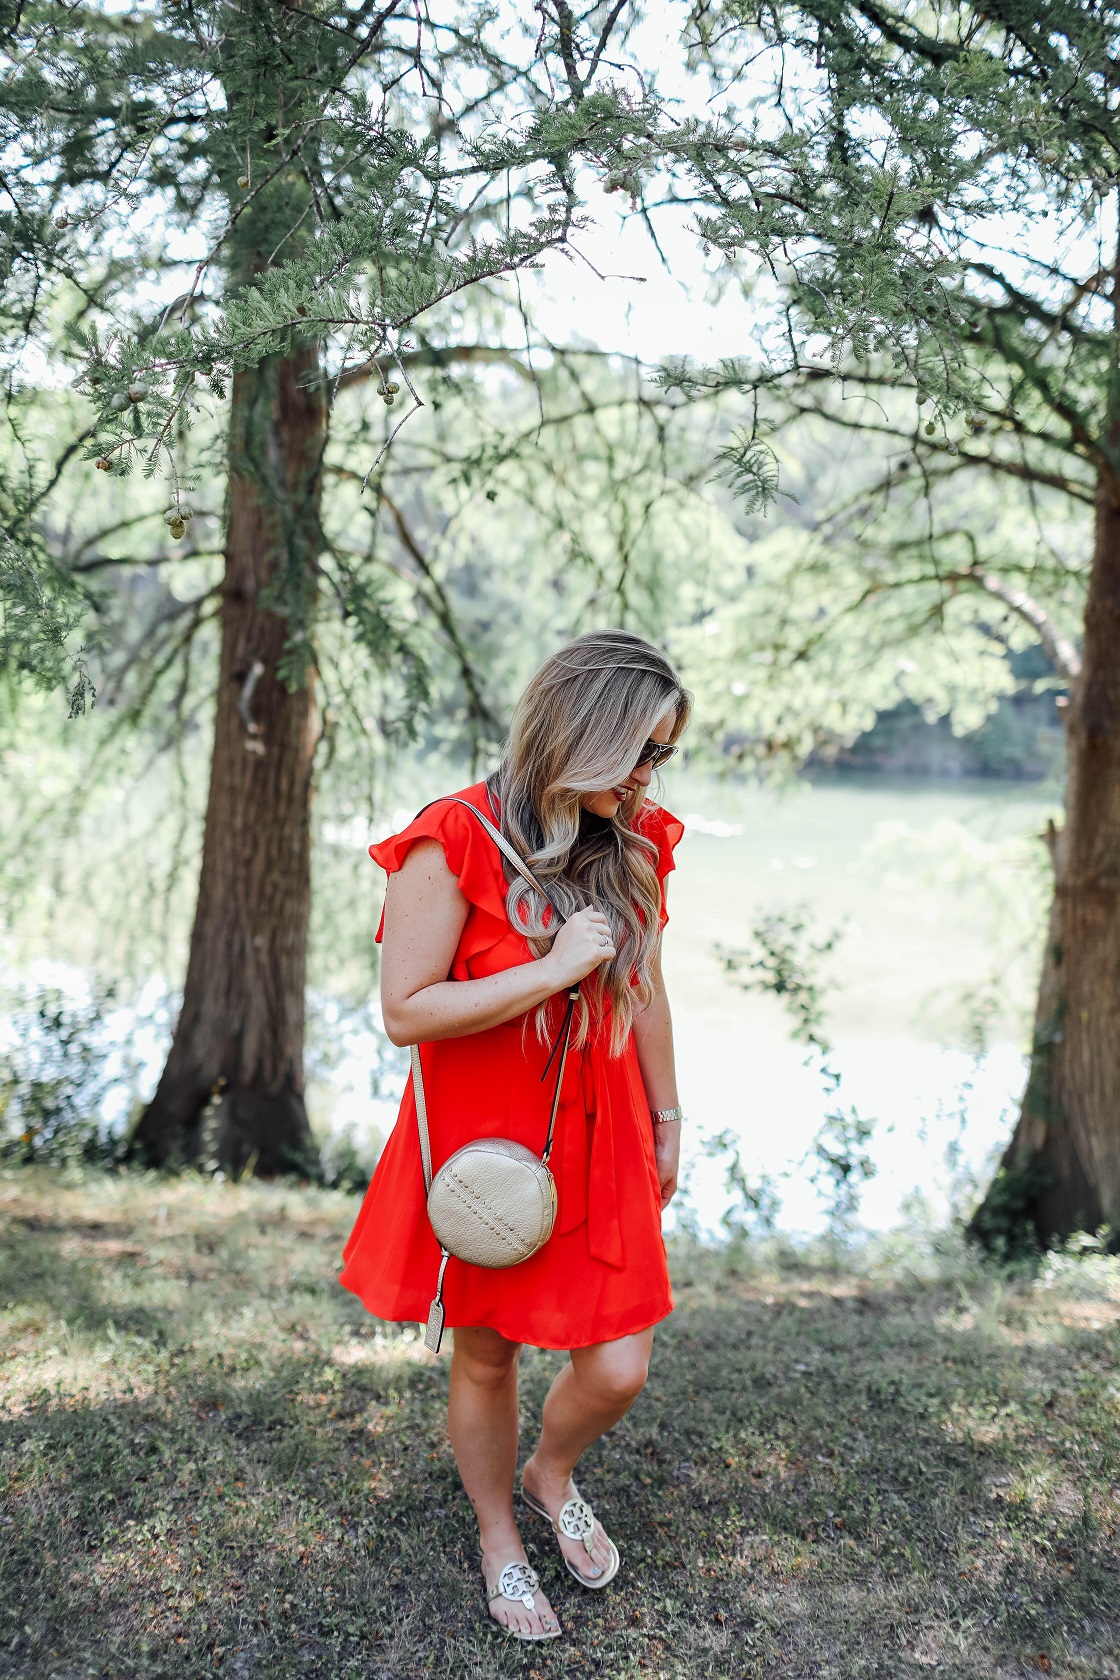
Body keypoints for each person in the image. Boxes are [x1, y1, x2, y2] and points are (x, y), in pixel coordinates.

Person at [339, 629, 690, 1642]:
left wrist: (668, 1117)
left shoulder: (635, 841)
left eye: (660, 755)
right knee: (487, 1358)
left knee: (618, 1364)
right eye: (638, 752)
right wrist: (547, 971)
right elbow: (405, 1011)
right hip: (486, 1148)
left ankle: (551, 1471)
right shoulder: (447, 838)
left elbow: (649, 988)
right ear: (579, 734)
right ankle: (498, 1532)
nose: (647, 776)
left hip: (608, 1128)